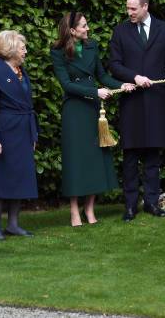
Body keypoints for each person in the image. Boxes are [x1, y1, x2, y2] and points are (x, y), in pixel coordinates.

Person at [109, 0, 165, 222]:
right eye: (127, 8)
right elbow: (114, 65)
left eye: (133, 8)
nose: (129, 12)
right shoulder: (120, 31)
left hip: (156, 100)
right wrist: (134, 77)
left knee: (152, 157)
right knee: (130, 157)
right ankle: (129, 206)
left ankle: (152, 203)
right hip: (132, 102)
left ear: (146, 7)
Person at [52, 12, 136, 227]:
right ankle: (74, 211)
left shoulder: (92, 46)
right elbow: (66, 85)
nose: (88, 29)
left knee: (94, 159)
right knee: (75, 161)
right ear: (72, 30)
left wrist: (122, 85)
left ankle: (89, 209)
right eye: (84, 26)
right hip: (74, 111)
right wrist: (94, 92)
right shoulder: (58, 51)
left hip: (92, 110)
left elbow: (103, 76)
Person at [0, 30, 38, 240]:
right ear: (11, 49)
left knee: (19, 178)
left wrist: (33, 134)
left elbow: (28, 105)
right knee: (0, 178)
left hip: (22, 131)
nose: (25, 51)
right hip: (4, 132)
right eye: (22, 48)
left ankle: (13, 224)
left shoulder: (21, 71)